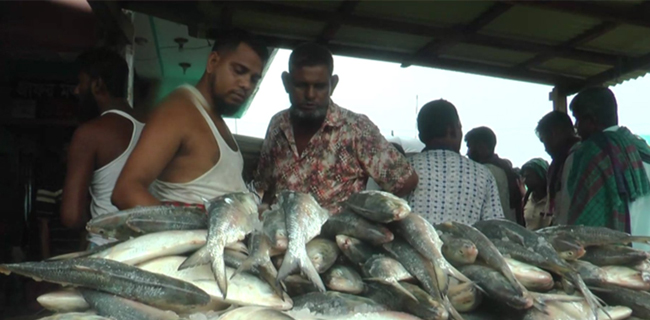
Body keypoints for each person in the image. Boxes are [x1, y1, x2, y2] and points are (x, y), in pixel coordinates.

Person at [112, 30, 269, 209]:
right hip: (192, 237)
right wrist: (184, 230)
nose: (246, 84)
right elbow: (125, 191)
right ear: (213, 62)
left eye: (254, 79)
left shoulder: (214, 118)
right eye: (239, 71)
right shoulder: (178, 111)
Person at [253, 43, 418, 213]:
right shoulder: (277, 125)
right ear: (286, 83)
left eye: (319, 86)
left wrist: (372, 214)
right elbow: (265, 186)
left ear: (333, 84)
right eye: (301, 85)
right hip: (281, 234)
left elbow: (405, 181)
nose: (310, 95)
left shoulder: (356, 129)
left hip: (334, 237)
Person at [61, 48, 146, 247]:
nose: (76, 90)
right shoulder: (151, 127)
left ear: (98, 84)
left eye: (80, 83)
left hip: (105, 248)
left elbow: (71, 216)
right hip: (145, 248)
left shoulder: (90, 133)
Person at [559, 87, 650, 239]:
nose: (576, 127)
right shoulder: (643, 150)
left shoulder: (592, 154)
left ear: (591, 121)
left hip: (615, 256)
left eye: (578, 120)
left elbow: (582, 222)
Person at [408, 99, 503, 225]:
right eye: (460, 128)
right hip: (467, 245)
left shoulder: (402, 170)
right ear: (452, 130)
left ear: (421, 136)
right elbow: (496, 228)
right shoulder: (483, 175)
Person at [465, 126, 524, 225]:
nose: (468, 153)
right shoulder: (505, 169)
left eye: (470, 147)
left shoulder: (484, 173)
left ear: (481, 147)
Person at [535, 110, 580, 223]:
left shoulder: (576, 158)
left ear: (554, 134)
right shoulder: (560, 162)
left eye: (544, 140)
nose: (545, 148)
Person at [521, 158, 552, 230]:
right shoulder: (527, 200)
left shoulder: (554, 200)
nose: (525, 180)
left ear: (540, 175)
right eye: (524, 177)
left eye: (529, 176)